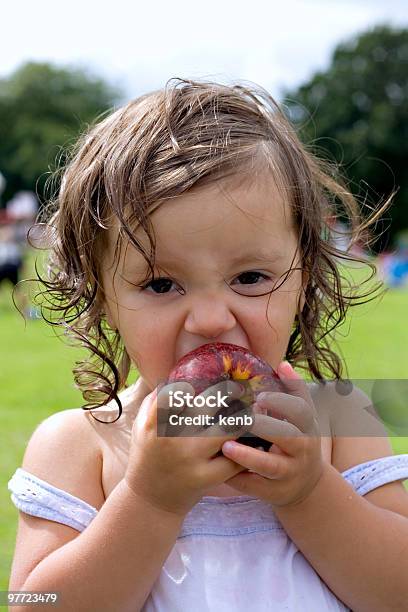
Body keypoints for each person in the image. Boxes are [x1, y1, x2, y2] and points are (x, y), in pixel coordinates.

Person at [7, 79, 408, 611]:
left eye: (250, 277)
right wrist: (148, 501)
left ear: (304, 278)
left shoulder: (339, 420)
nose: (212, 320)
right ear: (102, 297)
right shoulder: (82, 445)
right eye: (160, 284)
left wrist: (312, 493)